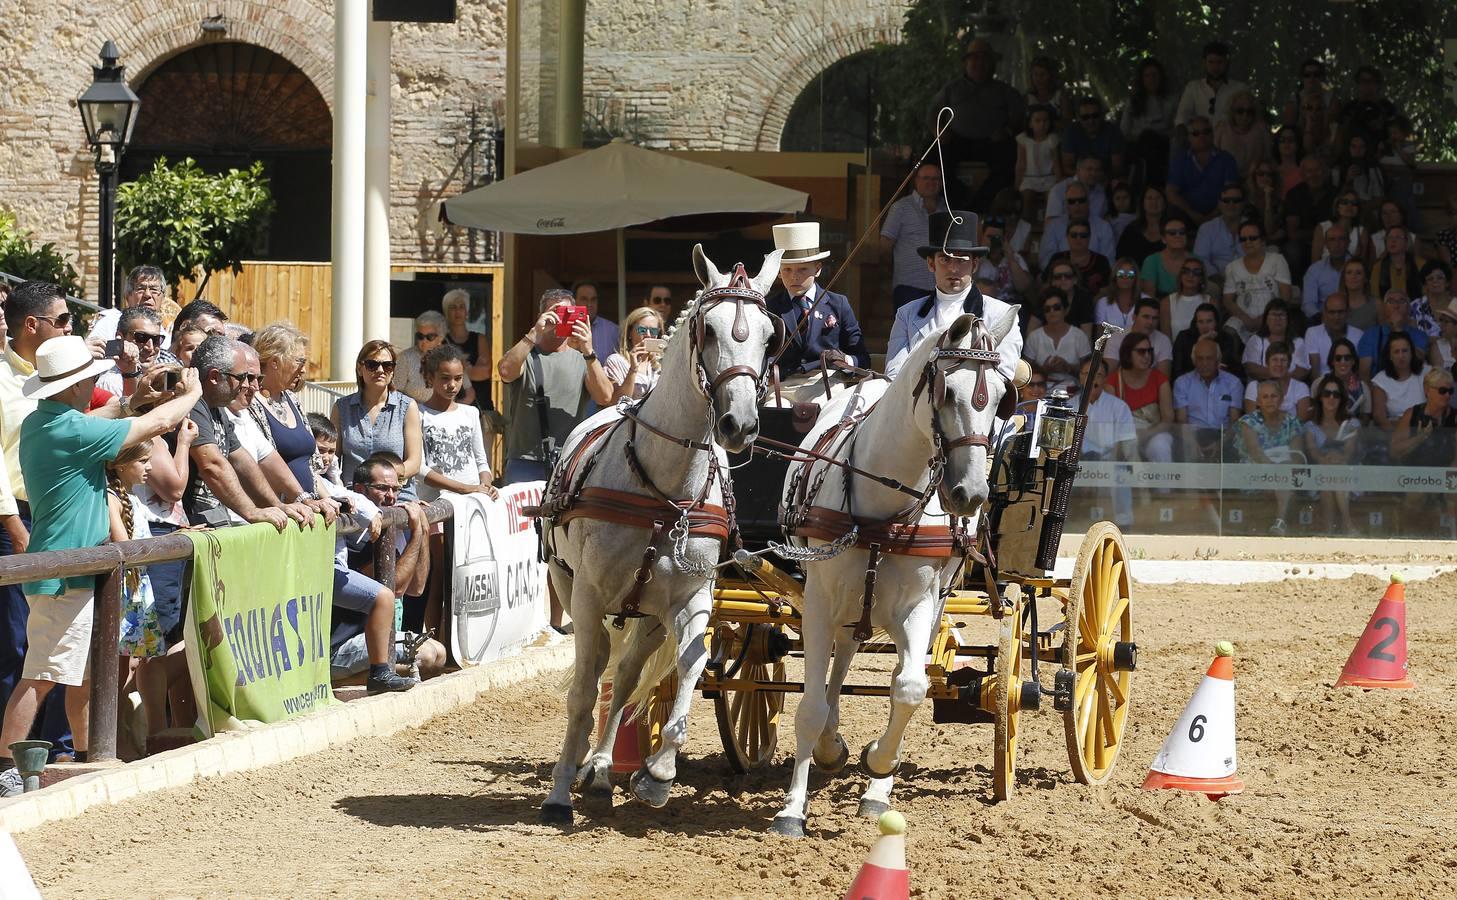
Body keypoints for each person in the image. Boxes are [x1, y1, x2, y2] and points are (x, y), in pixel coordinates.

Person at [0, 337, 200, 789]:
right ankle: (6, 771)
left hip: (66, 567)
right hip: (64, 572)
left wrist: (134, 399)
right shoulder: (70, 430)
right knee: (43, 675)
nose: (93, 382)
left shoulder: (44, 422)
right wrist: (191, 392)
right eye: (88, 377)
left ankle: (92, 756)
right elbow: (158, 424)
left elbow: (100, 419)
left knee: (80, 677)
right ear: (76, 383)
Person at [342, 455, 446, 680]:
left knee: (438, 654)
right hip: (342, 644)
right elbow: (396, 588)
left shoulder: (388, 521)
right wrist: (416, 532)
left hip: (370, 637)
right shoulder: (354, 528)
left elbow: (416, 588)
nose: (391, 496)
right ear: (359, 489)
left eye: (395, 488)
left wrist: (424, 530)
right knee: (427, 656)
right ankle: (340, 681)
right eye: (382, 488)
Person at [885, 209, 1022, 381]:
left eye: (962, 259)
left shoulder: (1002, 315)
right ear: (930, 263)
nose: (953, 269)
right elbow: (894, 375)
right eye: (945, 259)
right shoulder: (906, 314)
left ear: (974, 265)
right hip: (916, 404)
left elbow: (1003, 376)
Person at [497, 289, 613, 484]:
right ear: (541, 316)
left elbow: (605, 397)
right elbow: (505, 371)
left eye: (567, 314)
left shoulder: (583, 360)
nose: (560, 320)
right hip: (524, 461)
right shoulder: (526, 354)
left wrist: (588, 349)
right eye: (555, 313)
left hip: (568, 461)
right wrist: (535, 333)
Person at [766, 221, 869, 393]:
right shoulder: (769, 307)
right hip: (782, 386)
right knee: (774, 415)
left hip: (828, 384)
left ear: (818, 268)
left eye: (803, 269)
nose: (794, 277)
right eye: (787, 270)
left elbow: (862, 358)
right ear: (778, 271)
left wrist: (844, 360)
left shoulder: (839, 304)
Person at [926, 37, 1024, 209]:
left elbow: (1020, 116)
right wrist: (938, 131)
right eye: (974, 58)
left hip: (992, 142)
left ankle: (980, 205)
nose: (979, 63)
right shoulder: (952, 88)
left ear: (992, 64)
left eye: (984, 59)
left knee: (1009, 159)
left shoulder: (1005, 91)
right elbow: (933, 112)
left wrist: (1007, 130)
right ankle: (960, 199)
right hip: (956, 140)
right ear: (966, 63)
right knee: (933, 158)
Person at [334, 340, 429, 501]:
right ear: (359, 368)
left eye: (387, 365)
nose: (380, 370)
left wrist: (383, 483)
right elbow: (333, 460)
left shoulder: (407, 406)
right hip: (354, 498)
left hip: (397, 496)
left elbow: (414, 462)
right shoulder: (342, 408)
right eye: (372, 365)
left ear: (393, 371)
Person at [418, 344, 496, 502]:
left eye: (458, 378)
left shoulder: (470, 413)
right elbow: (419, 468)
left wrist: (486, 487)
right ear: (431, 378)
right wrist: (464, 488)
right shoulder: (418, 414)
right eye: (445, 378)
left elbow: (481, 461)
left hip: (472, 501)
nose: (452, 385)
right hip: (435, 504)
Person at [253, 321, 321, 496]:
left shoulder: (291, 399)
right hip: (280, 513)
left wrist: (328, 500)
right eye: (299, 361)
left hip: (308, 509)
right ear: (275, 362)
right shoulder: (250, 402)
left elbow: (311, 469)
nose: (304, 370)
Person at [1389, 368, 1457, 533]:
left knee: (1453, 494)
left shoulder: (1454, 417)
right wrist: (1419, 438)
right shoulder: (1412, 415)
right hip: (1414, 474)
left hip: (1446, 475)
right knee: (1416, 495)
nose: (1447, 395)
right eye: (1442, 391)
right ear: (1427, 390)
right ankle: (1407, 539)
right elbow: (1395, 450)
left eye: (1450, 391)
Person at [1076, 355, 1136, 529]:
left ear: (1105, 379)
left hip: (1110, 462)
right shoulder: (1071, 406)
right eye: (1087, 373)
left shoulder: (1119, 407)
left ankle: (1124, 525)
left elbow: (1124, 445)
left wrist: (1104, 466)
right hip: (1080, 463)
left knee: (1120, 474)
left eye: (1098, 375)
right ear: (1080, 376)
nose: (1093, 379)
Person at [1237, 379, 1303, 533]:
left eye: (1273, 396)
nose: (1269, 400)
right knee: (1284, 474)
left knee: (1287, 469)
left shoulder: (1292, 421)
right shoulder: (1248, 422)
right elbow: (1256, 453)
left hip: (1286, 475)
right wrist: (1274, 475)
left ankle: (1279, 522)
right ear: (1258, 401)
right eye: (1265, 397)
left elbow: (1297, 455)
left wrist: (1279, 475)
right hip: (1255, 474)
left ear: (1281, 399)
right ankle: (1280, 522)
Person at [879, 162, 948, 308]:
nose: (931, 182)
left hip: (940, 287)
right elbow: (885, 244)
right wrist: (894, 268)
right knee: (908, 330)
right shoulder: (901, 207)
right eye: (926, 178)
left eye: (935, 179)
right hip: (908, 285)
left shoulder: (946, 210)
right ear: (916, 180)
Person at [1105, 332, 1174, 464]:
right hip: (1122, 435)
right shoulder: (1113, 381)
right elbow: (1109, 422)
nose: (1147, 356)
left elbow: (1168, 419)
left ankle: (1163, 485)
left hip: (1154, 432)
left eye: (1149, 351)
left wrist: (1146, 434)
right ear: (1127, 353)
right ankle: (1134, 484)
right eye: (1141, 352)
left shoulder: (1160, 380)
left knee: (1161, 447)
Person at [1303, 375, 1359, 534]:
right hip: (1320, 474)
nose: (1331, 398)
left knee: (1333, 476)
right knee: (1328, 480)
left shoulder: (1351, 423)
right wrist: (1324, 459)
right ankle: (1348, 526)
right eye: (1327, 393)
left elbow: (1349, 452)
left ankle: (1329, 532)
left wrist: (1338, 459)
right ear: (1320, 397)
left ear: (1342, 398)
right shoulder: (1311, 426)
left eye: (1336, 394)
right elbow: (1313, 452)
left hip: (1347, 473)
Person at [1174, 336, 1244, 461]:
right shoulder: (1182, 383)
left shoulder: (1233, 383)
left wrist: (1221, 444)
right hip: (1193, 434)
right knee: (1181, 447)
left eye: (1209, 358)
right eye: (1200, 359)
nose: (1204, 363)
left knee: (1235, 448)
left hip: (1223, 435)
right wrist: (1191, 443)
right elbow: (1181, 420)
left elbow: (1234, 422)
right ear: (1194, 361)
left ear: (1218, 360)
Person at [1222, 220, 1292, 340]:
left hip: (1273, 316)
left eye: (1253, 238)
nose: (1248, 242)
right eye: (1243, 239)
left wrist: (1264, 318)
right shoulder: (1232, 267)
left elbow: (1286, 295)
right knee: (1228, 333)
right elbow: (1228, 301)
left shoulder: (1277, 260)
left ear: (1263, 240)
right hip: (1242, 318)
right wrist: (1245, 319)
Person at [1167, 115, 1239, 226]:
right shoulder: (1180, 160)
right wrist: (1191, 213)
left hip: (1221, 214)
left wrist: (1213, 216)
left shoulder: (1226, 159)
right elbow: (1171, 192)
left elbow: (1231, 192)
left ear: (1212, 134)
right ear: (1188, 137)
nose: (1202, 136)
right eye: (1196, 133)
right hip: (1187, 215)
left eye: (1206, 132)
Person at [1120, 58, 1177, 188]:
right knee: (1147, 139)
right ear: (1142, 79)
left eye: (1154, 75)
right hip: (1138, 145)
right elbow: (1124, 131)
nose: (1151, 79)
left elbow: (1176, 128)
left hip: (1163, 144)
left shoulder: (1171, 100)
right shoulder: (1133, 102)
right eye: (1147, 76)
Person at [1174, 41, 1249, 140]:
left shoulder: (1239, 88)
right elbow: (1182, 117)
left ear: (1226, 63)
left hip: (1230, 139)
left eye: (1219, 62)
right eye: (1211, 62)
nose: (1215, 67)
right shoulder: (1193, 87)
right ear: (1204, 63)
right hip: (1200, 139)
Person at [1023, 286, 1089, 390]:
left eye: (1056, 307)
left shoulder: (1079, 336)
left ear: (1066, 310)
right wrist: (1044, 370)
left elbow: (1088, 371)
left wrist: (1068, 368)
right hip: (1040, 391)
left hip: (1074, 392)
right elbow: (1026, 372)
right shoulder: (1034, 337)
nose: (1052, 312)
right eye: (1047, 309)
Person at [1039, 181, 1116, 269]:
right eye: (1072, 201)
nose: (1077, 205)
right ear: (1066, 205)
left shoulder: (1104, 227)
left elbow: (1108, 262)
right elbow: (1045, 261)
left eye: (1081, 200)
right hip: (1062, 277)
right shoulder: (1053, 226)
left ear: (1088, 202)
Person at [96, 306, 167, 399]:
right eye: (141, 337)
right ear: (120, 337)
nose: (150, 347)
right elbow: (126, 411)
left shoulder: (165, 378)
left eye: (156, 339)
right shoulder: (111, 382)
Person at [1357, 291, 1430, 380]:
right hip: (1378, 387)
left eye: (1402, 301)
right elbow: (1364, 374)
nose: (1396, 306)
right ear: (1384, 308)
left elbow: (1418, 361)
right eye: (1391, 301)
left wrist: (1398, 329)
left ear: (1409, 309)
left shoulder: (1419, 335)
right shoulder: (1370, 335)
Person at [1283, 156, 1337, 274]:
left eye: (1318, 170)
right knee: (1292, 250)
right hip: (1303, 244)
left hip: (1330, 242)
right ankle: (1298, 286)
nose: (1314, 175)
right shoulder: (1294, 194)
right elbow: (1293, 234)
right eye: (1309, 171)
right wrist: (1318, 233)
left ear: (1325, 172)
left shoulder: (1335, 194)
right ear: (1302, 175)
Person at [442, 288, 491, 409]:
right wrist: (469, 368)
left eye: (461, 307)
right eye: (453, 307)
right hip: (451, 407)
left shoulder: (479, 339)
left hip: (480, 406)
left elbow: (485, 373)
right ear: (446, 312)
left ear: (467, 312)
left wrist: (457, 370)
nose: (457, 311)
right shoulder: (441, 342)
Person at [604, 307, 664, 402]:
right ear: (630, 333)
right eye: (642, 330)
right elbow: (615, 403)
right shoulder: (616, 361)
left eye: (653, 331)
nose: (648, 335)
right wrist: (633, 370)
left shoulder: (662, 363)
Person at [1103, 297, 1172, 377]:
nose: (1150, 322)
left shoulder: (1164, 341)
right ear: (1134, 317)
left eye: (1155, 318)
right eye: (1146, 317)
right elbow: (1108, 373)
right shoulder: (1116, 337)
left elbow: (1163, 379)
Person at [1370, 330, 1424, 431]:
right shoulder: (1381, 379)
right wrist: (1397, 437)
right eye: (1396, 352)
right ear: (1390, 356)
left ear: (1411, 353)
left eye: (1404, 351)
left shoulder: (1426, 373)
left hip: (1424, 430)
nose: (1401, 356)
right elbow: (1379, 416)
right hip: (1395, 434)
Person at [1301, 220, 1354, 320]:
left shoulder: (1358, 267)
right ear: (1326, 244)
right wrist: (1324, 319)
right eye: (1332, 240)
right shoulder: (1315, 270)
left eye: (1341, 239)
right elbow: (1308, 304)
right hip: (1322, 320)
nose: (1337, 244)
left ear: (1348, 242)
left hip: (1354, 319)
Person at [1015, 106, 1060, 222]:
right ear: (1030, 123)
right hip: (1029, 178)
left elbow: (1056, 163)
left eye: (1045, 121)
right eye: (1037, 121)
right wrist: (1017, 184)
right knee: (1026, 197)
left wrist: (1059, 181)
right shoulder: (1023, 139)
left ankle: (1049, 226)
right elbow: (1021, 163)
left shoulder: (1052, 139)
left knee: (1052, 199)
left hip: (1049, 178)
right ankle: (1026, 227)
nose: (1042, 124)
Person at [1242, 342, 1309, 420]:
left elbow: (1301, 422)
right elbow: (1252, 420)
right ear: (1267, 363)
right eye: (1275, 360)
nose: (1279, 364)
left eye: (1283, 360)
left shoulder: (1301, 387)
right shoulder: (1254, 386)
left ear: (1289, 364)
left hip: (1293, 431)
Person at [1243, 301, 1307, 382]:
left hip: (1290, 388)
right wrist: (1280, 375)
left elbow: (1302, 370)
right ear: (1266, 319)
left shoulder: (1298, 342)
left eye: (1281, 315)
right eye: (1273, 315)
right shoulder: (1255, 340)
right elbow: (1251, 368)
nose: (1277, 319)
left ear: (1288, 320)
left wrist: (1282, 380)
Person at [1193, 183, 1247, 278]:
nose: (1231, 204)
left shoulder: (1253, 227)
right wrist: (1216, 277)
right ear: (1219, 204)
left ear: (1243, 203)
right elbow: (1200, 259)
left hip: (1249, 278)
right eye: (1226, 201)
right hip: (1216, 280)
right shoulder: (1207, 228)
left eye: (1236, 200)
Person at [1213, 90, 1271, 179]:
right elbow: (1212, 159)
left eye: (1250, 111)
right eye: (1240, 111)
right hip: (1225, 181)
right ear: (1232, 111)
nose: (1245, 116)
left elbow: (1268, 156)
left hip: (1254, 182)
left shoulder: (1261, 129)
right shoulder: (1222, 128)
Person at [1060, 96, 1124, 177]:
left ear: (1101, 116)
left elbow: (1117, 168)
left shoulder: (1113, 132)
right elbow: (1067, 168)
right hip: (1078, 179)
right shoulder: (1071, 132)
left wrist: (1096, 177)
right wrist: (1087, 177)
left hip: (1107, 179)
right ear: (1079, 118)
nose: (1091, 120)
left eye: (1095, 115)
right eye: (1085, 117)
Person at [974, 215, 1032, 304]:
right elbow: (967, 283)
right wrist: (982, 254)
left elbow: (1023, 287)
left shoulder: (1015, 258)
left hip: (1010, 305)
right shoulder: (975, 259)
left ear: (1004, 239)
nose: (993, 241)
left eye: (997, 237)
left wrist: (1010, 257)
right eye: (989, 237)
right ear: (982, 237)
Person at [1304, 292, 1362, 380]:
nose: (1336, 317)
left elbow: (1358, 370)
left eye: (1340, 312)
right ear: (1325, 313)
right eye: (1332, 312)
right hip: (1322, 385)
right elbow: (1315, 372)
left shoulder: (1359, 335)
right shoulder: (1312, 333)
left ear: (1348, 312)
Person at [394, 310, 446, 404]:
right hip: (414, 414)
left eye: (430, 337)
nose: (424, 341)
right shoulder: (406, 357)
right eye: (420, 336)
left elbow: (468, 392)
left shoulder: (450, 357)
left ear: (441, 337)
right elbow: (396, 392)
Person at [1140, 214, 1199, 298]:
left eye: (1182, 232)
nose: (1178, 236)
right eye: (1172, 233)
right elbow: (1149, 298)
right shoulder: (1151, 261)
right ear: (1163, 239)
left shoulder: (1196, 260)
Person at [1044, 155, 1108, 223]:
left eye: (1097, 170)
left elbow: (1103, 219)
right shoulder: (1059, 190)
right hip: (1065, 232)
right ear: (1078, 171)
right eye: (1089, 169)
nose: (1094, 173)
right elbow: (1051, 223)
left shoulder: (1100, 190)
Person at [1370, 226, 1425, 303]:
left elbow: (1426, 293)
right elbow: (1375, 296)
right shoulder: (1378, 267)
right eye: (1390, 237)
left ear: (1406, 243)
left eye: (1398, 237)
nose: (1393, 241)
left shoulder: (1420, 264)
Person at [1092, 257, 1147, 333]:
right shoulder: (1102, 303)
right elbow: (1100, 337)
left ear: (1136, 278)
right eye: (1120, 274)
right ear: (1114, 277)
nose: (1125, 277)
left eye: (1130, 274)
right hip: (1111, 345)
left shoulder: (1146, 300)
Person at [1163, 257, 1213, 339]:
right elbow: (1166, 340)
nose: (1190, 275)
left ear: (1201, 278)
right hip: (1175, 351)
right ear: (1180, 275)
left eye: (1196, 272)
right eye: (1186, 271)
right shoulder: (1166, 302)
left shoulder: (1210, 302)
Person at [1116, 186, 1168, 264]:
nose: (1154, 201)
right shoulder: (1131, 230)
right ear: (1142, 203)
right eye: (1149, 198)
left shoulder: (1172, 230)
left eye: (1158, 198)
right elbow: (1121, 259)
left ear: (1164, 203)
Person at [572, 280, 620, 363]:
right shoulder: (565, 330)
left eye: (593, 299)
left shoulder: (613, 331)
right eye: (584, 299)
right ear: (574, 301)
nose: (589, 304)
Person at [1327, 338, 1372, 423]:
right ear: (1332, 361)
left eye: (1347, 358)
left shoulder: (1363, 388)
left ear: (1353, 361)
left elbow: (1365, 419)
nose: (1343, 362)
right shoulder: (1319, 384)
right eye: (1338, 358)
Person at [1043, 259, 1095, 333]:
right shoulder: (1044, 297)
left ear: (1075, 279)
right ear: (1052, 281)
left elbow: (1086, 335)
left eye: (1068, 276)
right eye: (1058, 277)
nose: (1063, 279)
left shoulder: (1084, 298)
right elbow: (1032, 328)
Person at [1409, 261, 1454, 341]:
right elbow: (1412, 337)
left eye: (1440, 278)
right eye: (1430, 279)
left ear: (1447, 282)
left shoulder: (1455, 304)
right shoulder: (1414, 306)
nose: (1435, 281)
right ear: (1425, 284)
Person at [1024, 55, 1072, 125]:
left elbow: (1067, 123)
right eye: (1035, 74)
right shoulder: (1027, 98)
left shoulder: (1060, 96)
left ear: (1051, 76)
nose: (1038, 78)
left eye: (1042, 74)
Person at [1272, 127, 1305, 197]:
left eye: (1291, 140)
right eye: (1282, 140)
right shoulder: (1271, 171)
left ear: (1298, 144)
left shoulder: (1304, 172)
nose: (1286, 143)